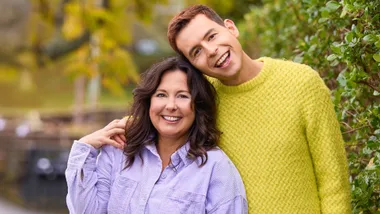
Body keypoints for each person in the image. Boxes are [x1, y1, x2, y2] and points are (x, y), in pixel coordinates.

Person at [165, 4, 352, 214]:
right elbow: (162, 113)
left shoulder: (302, 83)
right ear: (194, 66)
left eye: (211, 36)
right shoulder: (202, 100)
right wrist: (128, 124)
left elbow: (334, 180)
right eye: (196, 52)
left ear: (230, 28)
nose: (211, 51)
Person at [65, 56, 248, 214]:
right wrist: (86, 146)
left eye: (183, 96)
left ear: (198, 106)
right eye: (161, 95)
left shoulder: (215, 168)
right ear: (148, 102)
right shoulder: (120, 150)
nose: (170, 105)